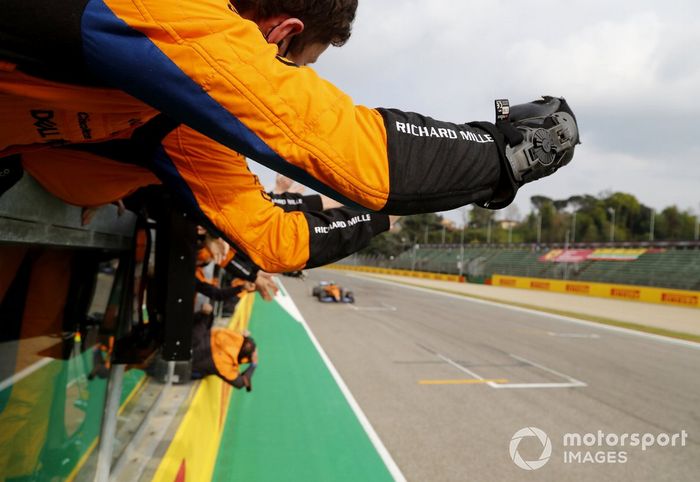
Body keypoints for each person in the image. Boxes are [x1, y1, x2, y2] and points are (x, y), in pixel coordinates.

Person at [0, 0, 579, 274]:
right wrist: (509, 151)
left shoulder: (179, 121)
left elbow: (276, 239)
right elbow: (343, 143)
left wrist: (375, 216)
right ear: (281, 32)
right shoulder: (172, 14)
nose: (290, 82)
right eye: (295, 67)